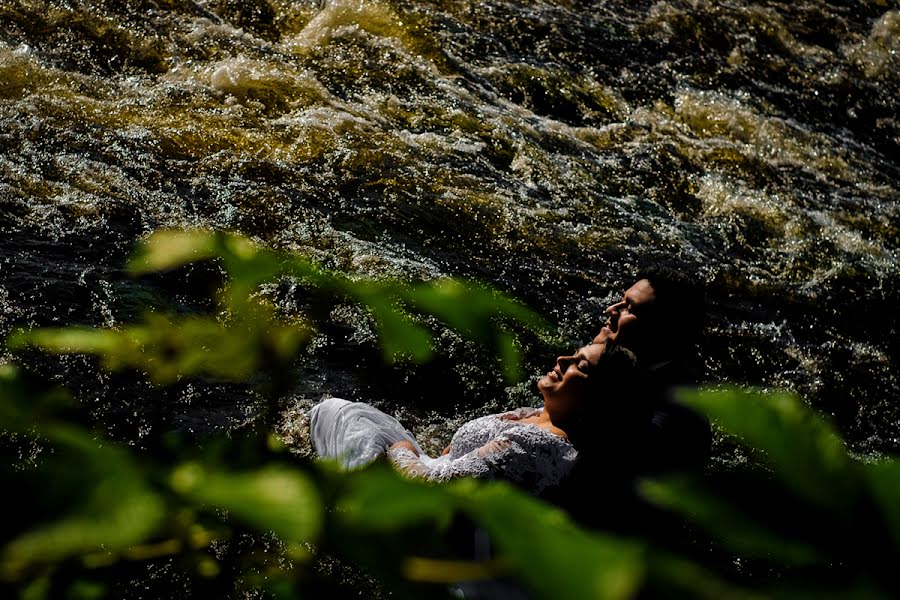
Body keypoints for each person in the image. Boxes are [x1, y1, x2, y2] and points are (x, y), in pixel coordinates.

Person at [309, 340, 650, 495]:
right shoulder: (538, 415)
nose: (562, 359)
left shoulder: (535, 446)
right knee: (347, 414)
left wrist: (401, 450)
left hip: (427, 508)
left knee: (344, 418)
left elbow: (431, 488)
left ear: (597, 398)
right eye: (573, 353)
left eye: (581, 365)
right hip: (432, 470)